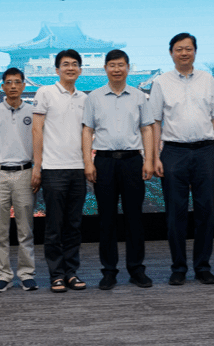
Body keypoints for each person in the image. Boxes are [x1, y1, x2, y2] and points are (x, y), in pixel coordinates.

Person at [149, 33, 214, 286]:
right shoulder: (161, 82)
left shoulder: (207, 79)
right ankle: (178, 267)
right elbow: (155, 121)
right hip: (173, 152)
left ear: (195, 52)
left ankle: (202, 266)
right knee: (175, 214)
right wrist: (156, 156)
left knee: (206, 212)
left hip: (205, 151)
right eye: (179, 49)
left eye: (188, 49)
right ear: (171, 53)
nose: (184, 53)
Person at [82, 50, 155, 290]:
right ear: (105, 68)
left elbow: (147, 129)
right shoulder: (94, 97)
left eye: (121, 65)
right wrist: (88, 162)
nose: (116, 69)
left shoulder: (139, 96)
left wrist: (148, 159)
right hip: (104, 162)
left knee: (134, 218)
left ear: (128, 67)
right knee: (107, 219)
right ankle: (109, 271)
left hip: (132, 161)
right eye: (112, 65)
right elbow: (87, 131)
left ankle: (136, 269)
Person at [33, 50, 89, 293]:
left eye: (75, 64)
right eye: (65, 64)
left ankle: (71, 273)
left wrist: (88, 164)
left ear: (80, 70)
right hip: (53, 169)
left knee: (74, 226)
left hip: (78, 169)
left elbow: (87, 133)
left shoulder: (85, 98)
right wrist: (37, 166)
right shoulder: (45, 92)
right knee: (54, 226)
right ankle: (56, 275)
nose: (70, 68)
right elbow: (36, 130)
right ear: (57, 69)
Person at [0, 68, 39, 293]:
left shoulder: (34, 112)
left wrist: (37, 169)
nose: (13, 86)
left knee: (26, 229)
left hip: (25, 172)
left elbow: (39, 142)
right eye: (8, 82)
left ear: (24, 85)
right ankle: (3, 275)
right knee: (0, 230)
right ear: (2, 86)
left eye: (17, 82)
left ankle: (27, 274)